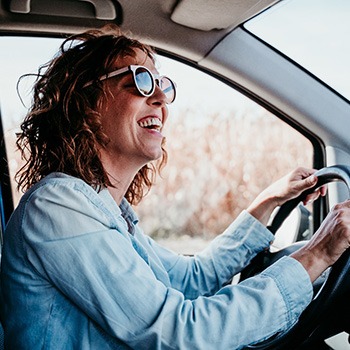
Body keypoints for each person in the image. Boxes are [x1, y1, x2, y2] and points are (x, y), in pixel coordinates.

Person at [1, 24, 350, 350]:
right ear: (86, 102)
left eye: (162, 85)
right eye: (139, 81)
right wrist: (316, 254)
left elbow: (191, 278)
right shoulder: (57, 206)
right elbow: (177, 331)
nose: (160, 100)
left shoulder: (107, 210)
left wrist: (267, 201)